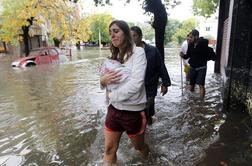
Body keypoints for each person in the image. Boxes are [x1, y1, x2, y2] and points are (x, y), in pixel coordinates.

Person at [100, 20, 149, 165]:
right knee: (109, 150)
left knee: (139, 147)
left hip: (133, 113)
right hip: (113, 110)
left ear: (126, 33)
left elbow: (137, 84)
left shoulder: (138, 52)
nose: (112, 36)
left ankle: (149, 159)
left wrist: (112, 96)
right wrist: (102, 81)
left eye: (116, 31)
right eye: (110, 33)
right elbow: (106, 83)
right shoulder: (113, 56)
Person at [130, 26, 171, 125]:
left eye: (134, 36)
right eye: (130, 37)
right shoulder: (128, 52)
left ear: (140, 37)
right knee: (134, 114)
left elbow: (161, 66)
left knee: (147, 112)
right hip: (134, 88)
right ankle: (139, 135)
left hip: (150, 87)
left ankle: (149, 132)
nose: (132, 39)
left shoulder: (153, 50)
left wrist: (165, 83)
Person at [180, 29, 209, 97]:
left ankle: (201, 102)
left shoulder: (203, 43)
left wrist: (199, 40)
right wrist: (183, 55)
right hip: (192, 67)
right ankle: (191, 101)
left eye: (191, 37)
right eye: (189, 37)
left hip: (202, 68)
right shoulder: (190, 45)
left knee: (201, 85)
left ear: (196, 37)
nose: (189, 38)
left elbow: (206, 41)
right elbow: (187, 56)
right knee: (191, 84)